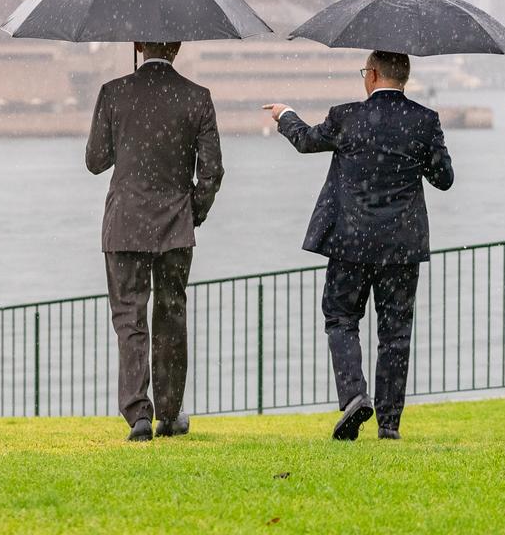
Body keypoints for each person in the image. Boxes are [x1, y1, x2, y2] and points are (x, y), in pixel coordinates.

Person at [262, 50, 453, 441]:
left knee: (341, 319)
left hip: (350, 242)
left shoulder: (346, 116)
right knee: (396, 332)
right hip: (401, 246)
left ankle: (353, 396)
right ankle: (389, 424)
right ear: (405, 77)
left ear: (373, 74)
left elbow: (305, 141)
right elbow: (444, 178)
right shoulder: (424, 121)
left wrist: (285, 115)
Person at [86, 42, 224, 441]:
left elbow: (95, 160)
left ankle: (137, 413)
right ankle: (169, 412)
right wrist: (191, 212)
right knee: (170, 316)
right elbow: (212, 172)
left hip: (124, 224)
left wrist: (127, 139)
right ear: (178, 47)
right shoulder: (197, 98)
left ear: (138, 46)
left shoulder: (114, 93)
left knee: (129, 318)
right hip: (175, 227)